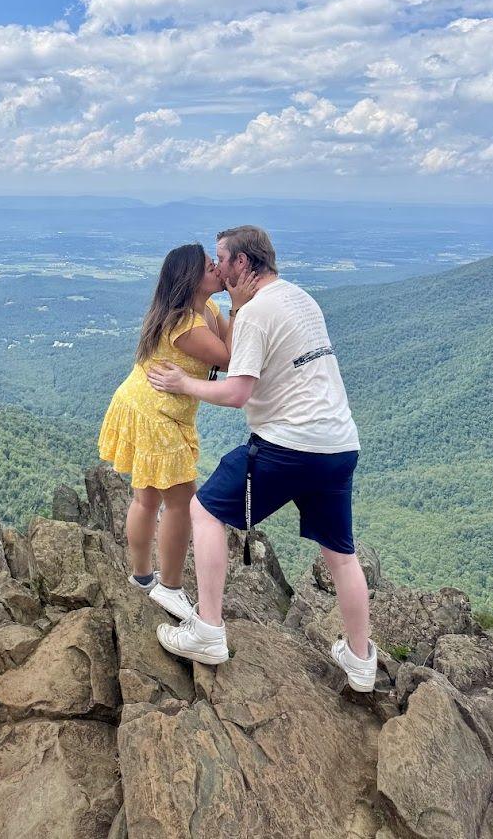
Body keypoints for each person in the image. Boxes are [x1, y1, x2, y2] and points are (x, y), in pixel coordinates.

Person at [146, 224, 377, 690]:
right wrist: (236, 306)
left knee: (203, 510)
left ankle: (208, 630)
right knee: (341, 556)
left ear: (243, 262)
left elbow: (237, 392)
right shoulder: (300, 298)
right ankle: (360, 662)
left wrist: (183, 383)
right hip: (338, 445)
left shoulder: (256, 313)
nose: (217, 267)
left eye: (222, 259)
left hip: (287, 445)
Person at [97, 243, 260, 619]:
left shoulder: (206, 310)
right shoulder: (184, 324)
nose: (217, 269)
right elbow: (230, 358)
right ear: (190, 279)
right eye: (209, 266)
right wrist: (239, 303)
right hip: (155, 414)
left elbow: (228, 345)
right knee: (181, 504)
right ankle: (168, 588)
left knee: (147, 499)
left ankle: (141, 577)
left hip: (146, 405)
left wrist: (231, 306)